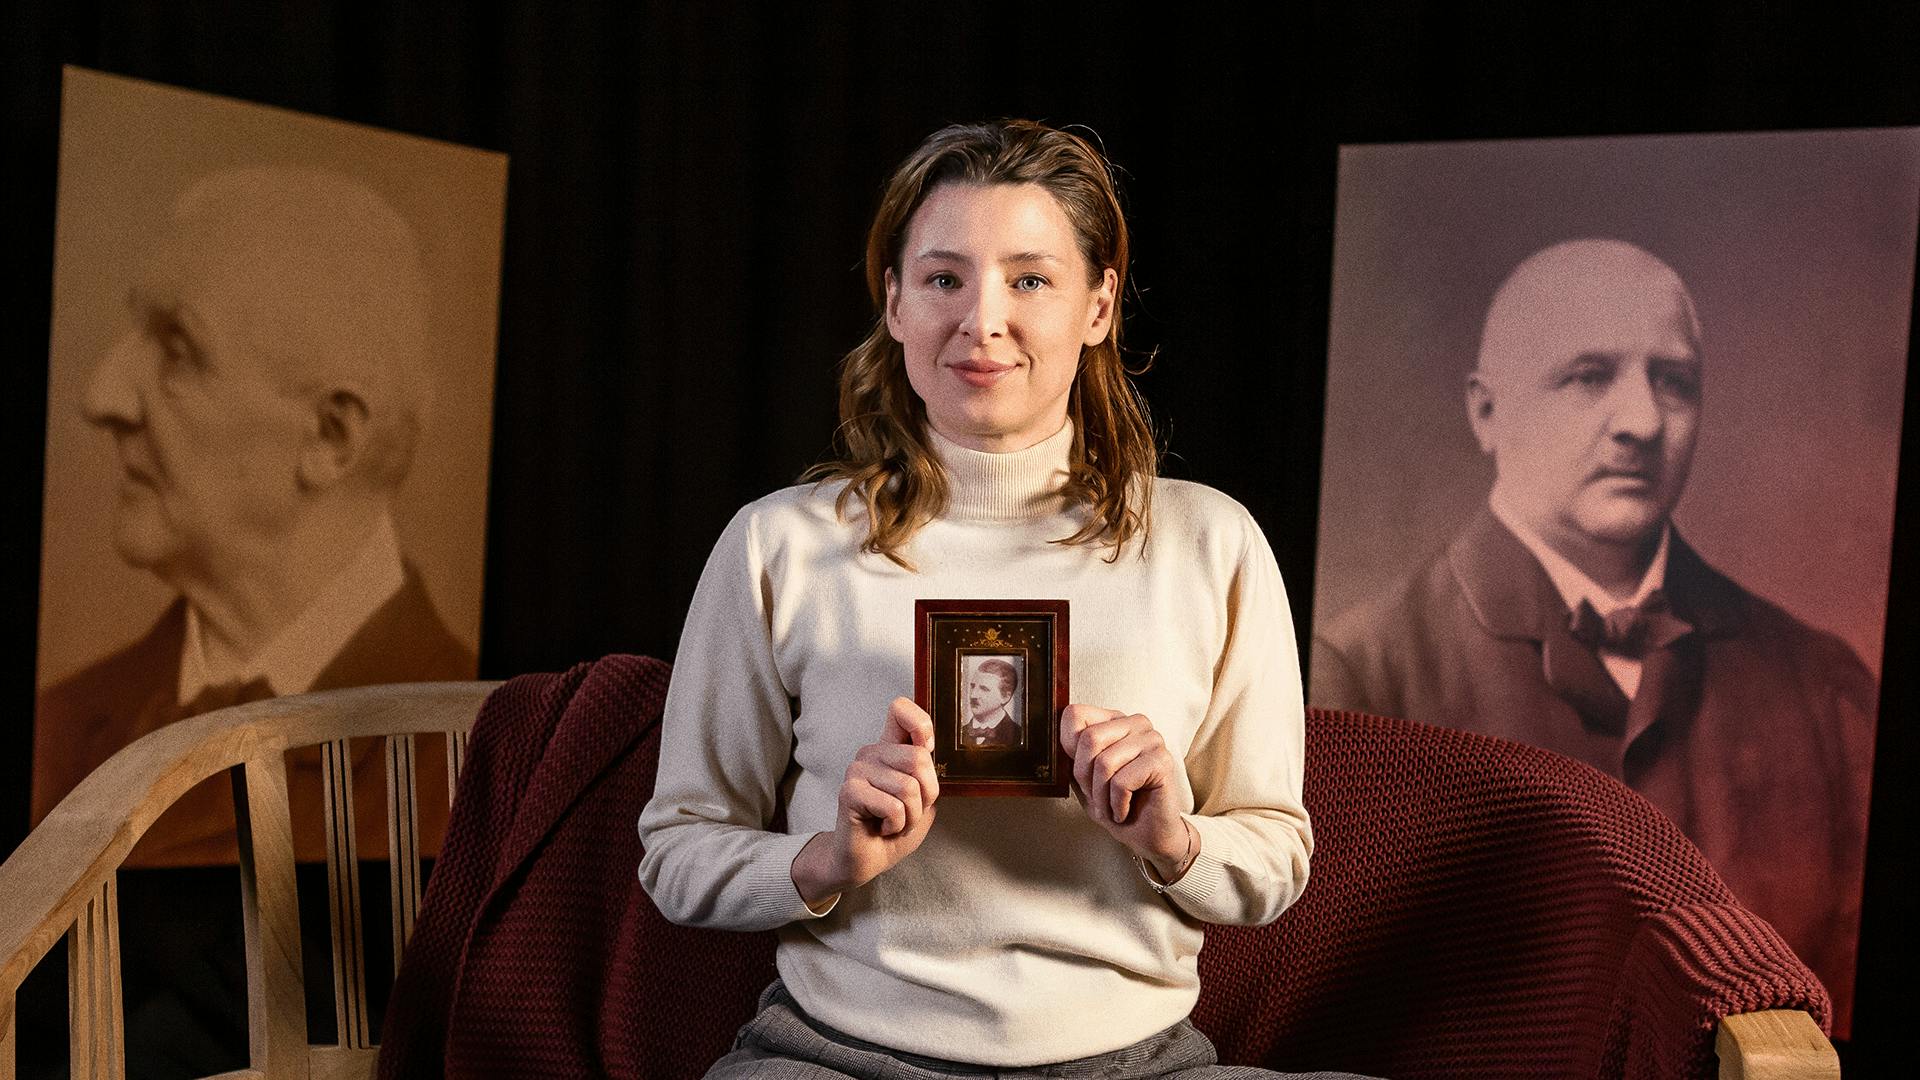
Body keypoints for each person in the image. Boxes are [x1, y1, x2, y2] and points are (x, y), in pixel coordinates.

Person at [638, 121, 1363, 1078]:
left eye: (1030, 280)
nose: (982, 321)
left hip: (1136, 1063)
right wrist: (824, 863)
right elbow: (677, 853)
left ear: (1099, 305)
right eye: (944, 279)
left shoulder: (1210, 542)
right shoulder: (780, 544)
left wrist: (1172, 840)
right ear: (893, 302)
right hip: (835, 1056)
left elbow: (1275, 860)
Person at [1310, 238, 1877, 1033]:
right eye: (1589, 376)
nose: (1642, 421)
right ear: (1486, 411)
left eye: (1674, 382)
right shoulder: (1356, 674)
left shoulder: (1827, 689)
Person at [33, 165, 473, 867]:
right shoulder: (57, 729)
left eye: (178, 352)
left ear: (332, 437)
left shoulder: (483, 768)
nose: (102, 395)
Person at [961, 657, 1022, 748]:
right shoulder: (957, 733)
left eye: (984, 689)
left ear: (1005, 697)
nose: (973, 695)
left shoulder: (1019, 736)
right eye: (973, 686)